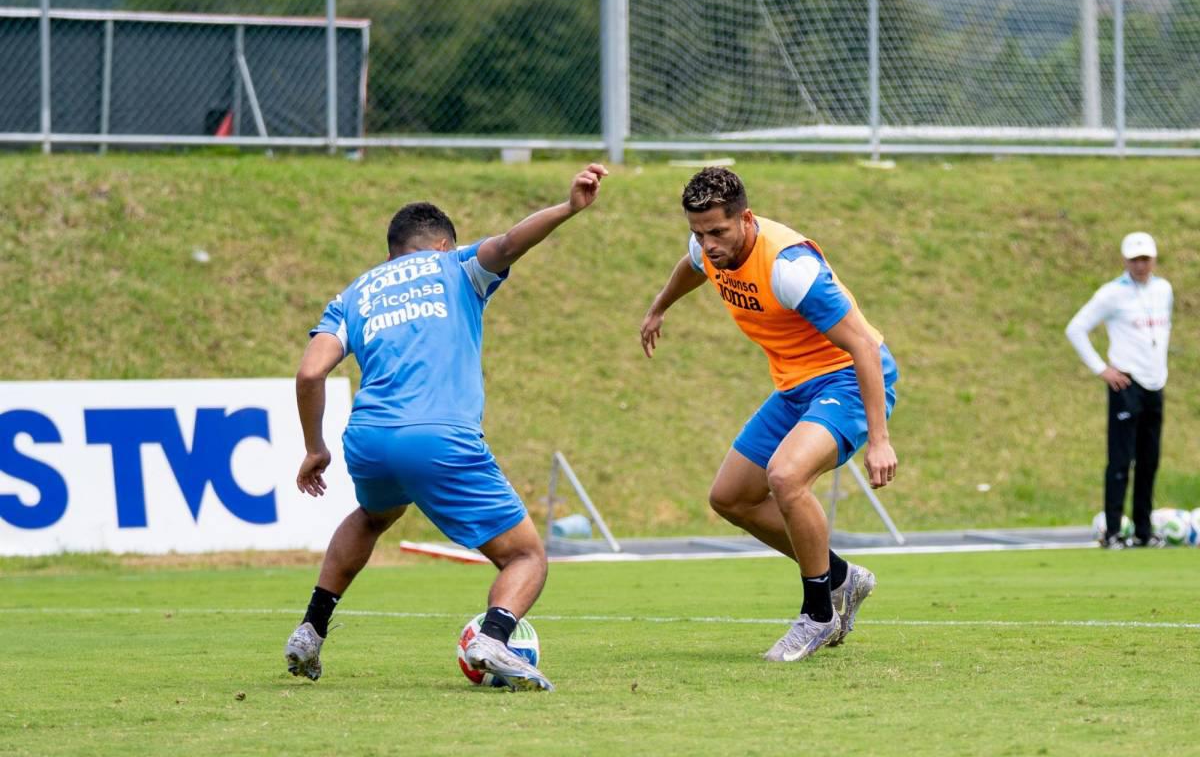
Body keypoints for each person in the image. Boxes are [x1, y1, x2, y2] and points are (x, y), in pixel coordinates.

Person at [284, 163, 609, 691]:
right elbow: (508, 244)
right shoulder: (454, 266)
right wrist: (569, 208)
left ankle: (310, 629)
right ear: (441, 243)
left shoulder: (354, 294)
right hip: (439, 437)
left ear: (392, 252)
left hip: (367, 440)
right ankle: (495, 637)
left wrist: (314, 448)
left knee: (372, 516)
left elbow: (309, 372)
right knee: (525, 555)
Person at [639, 167, 899, 662]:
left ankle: (819, 614)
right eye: (699, 232)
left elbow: (864, 345)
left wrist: (881, 440)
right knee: (731, 497)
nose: (709, 244)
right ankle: (843, 578)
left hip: (847, 378)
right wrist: (659, 307)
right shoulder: (706, 249)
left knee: (785, 476)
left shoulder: (790, 268)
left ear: (746, 219)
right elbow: (691, 267)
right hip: (795, 386)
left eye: (718, 231)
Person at [1066, 231, 1172, 550]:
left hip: (1155, 383)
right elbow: (1076, 328)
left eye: (1146, 259)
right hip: (1126, 382)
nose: (1141, 265)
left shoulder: (1164, 290)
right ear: (1125, 261)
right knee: (1120, 460)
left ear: (1154, 259)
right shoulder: (1112, 293)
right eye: (1135, 259)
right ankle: (1113, 530)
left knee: (1149, 461)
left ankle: (1144, 529)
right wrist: (1102, 369)